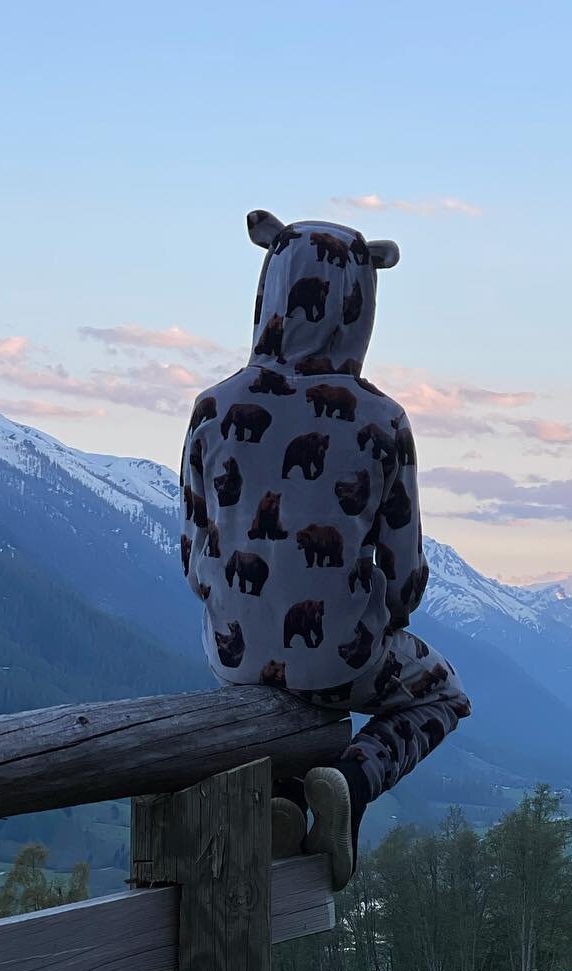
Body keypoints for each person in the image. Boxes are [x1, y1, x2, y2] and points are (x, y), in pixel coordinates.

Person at [180, 209, 470, 889]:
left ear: (271, 288)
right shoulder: (379, 420)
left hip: (234, 655)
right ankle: (349, 784)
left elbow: (193, 550)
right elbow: (403, 577)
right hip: (339, 653)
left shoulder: (212, 409)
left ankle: (284, 801)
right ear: (359, 303)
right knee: (442, 696)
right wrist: (376, 614)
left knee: (288, 684)